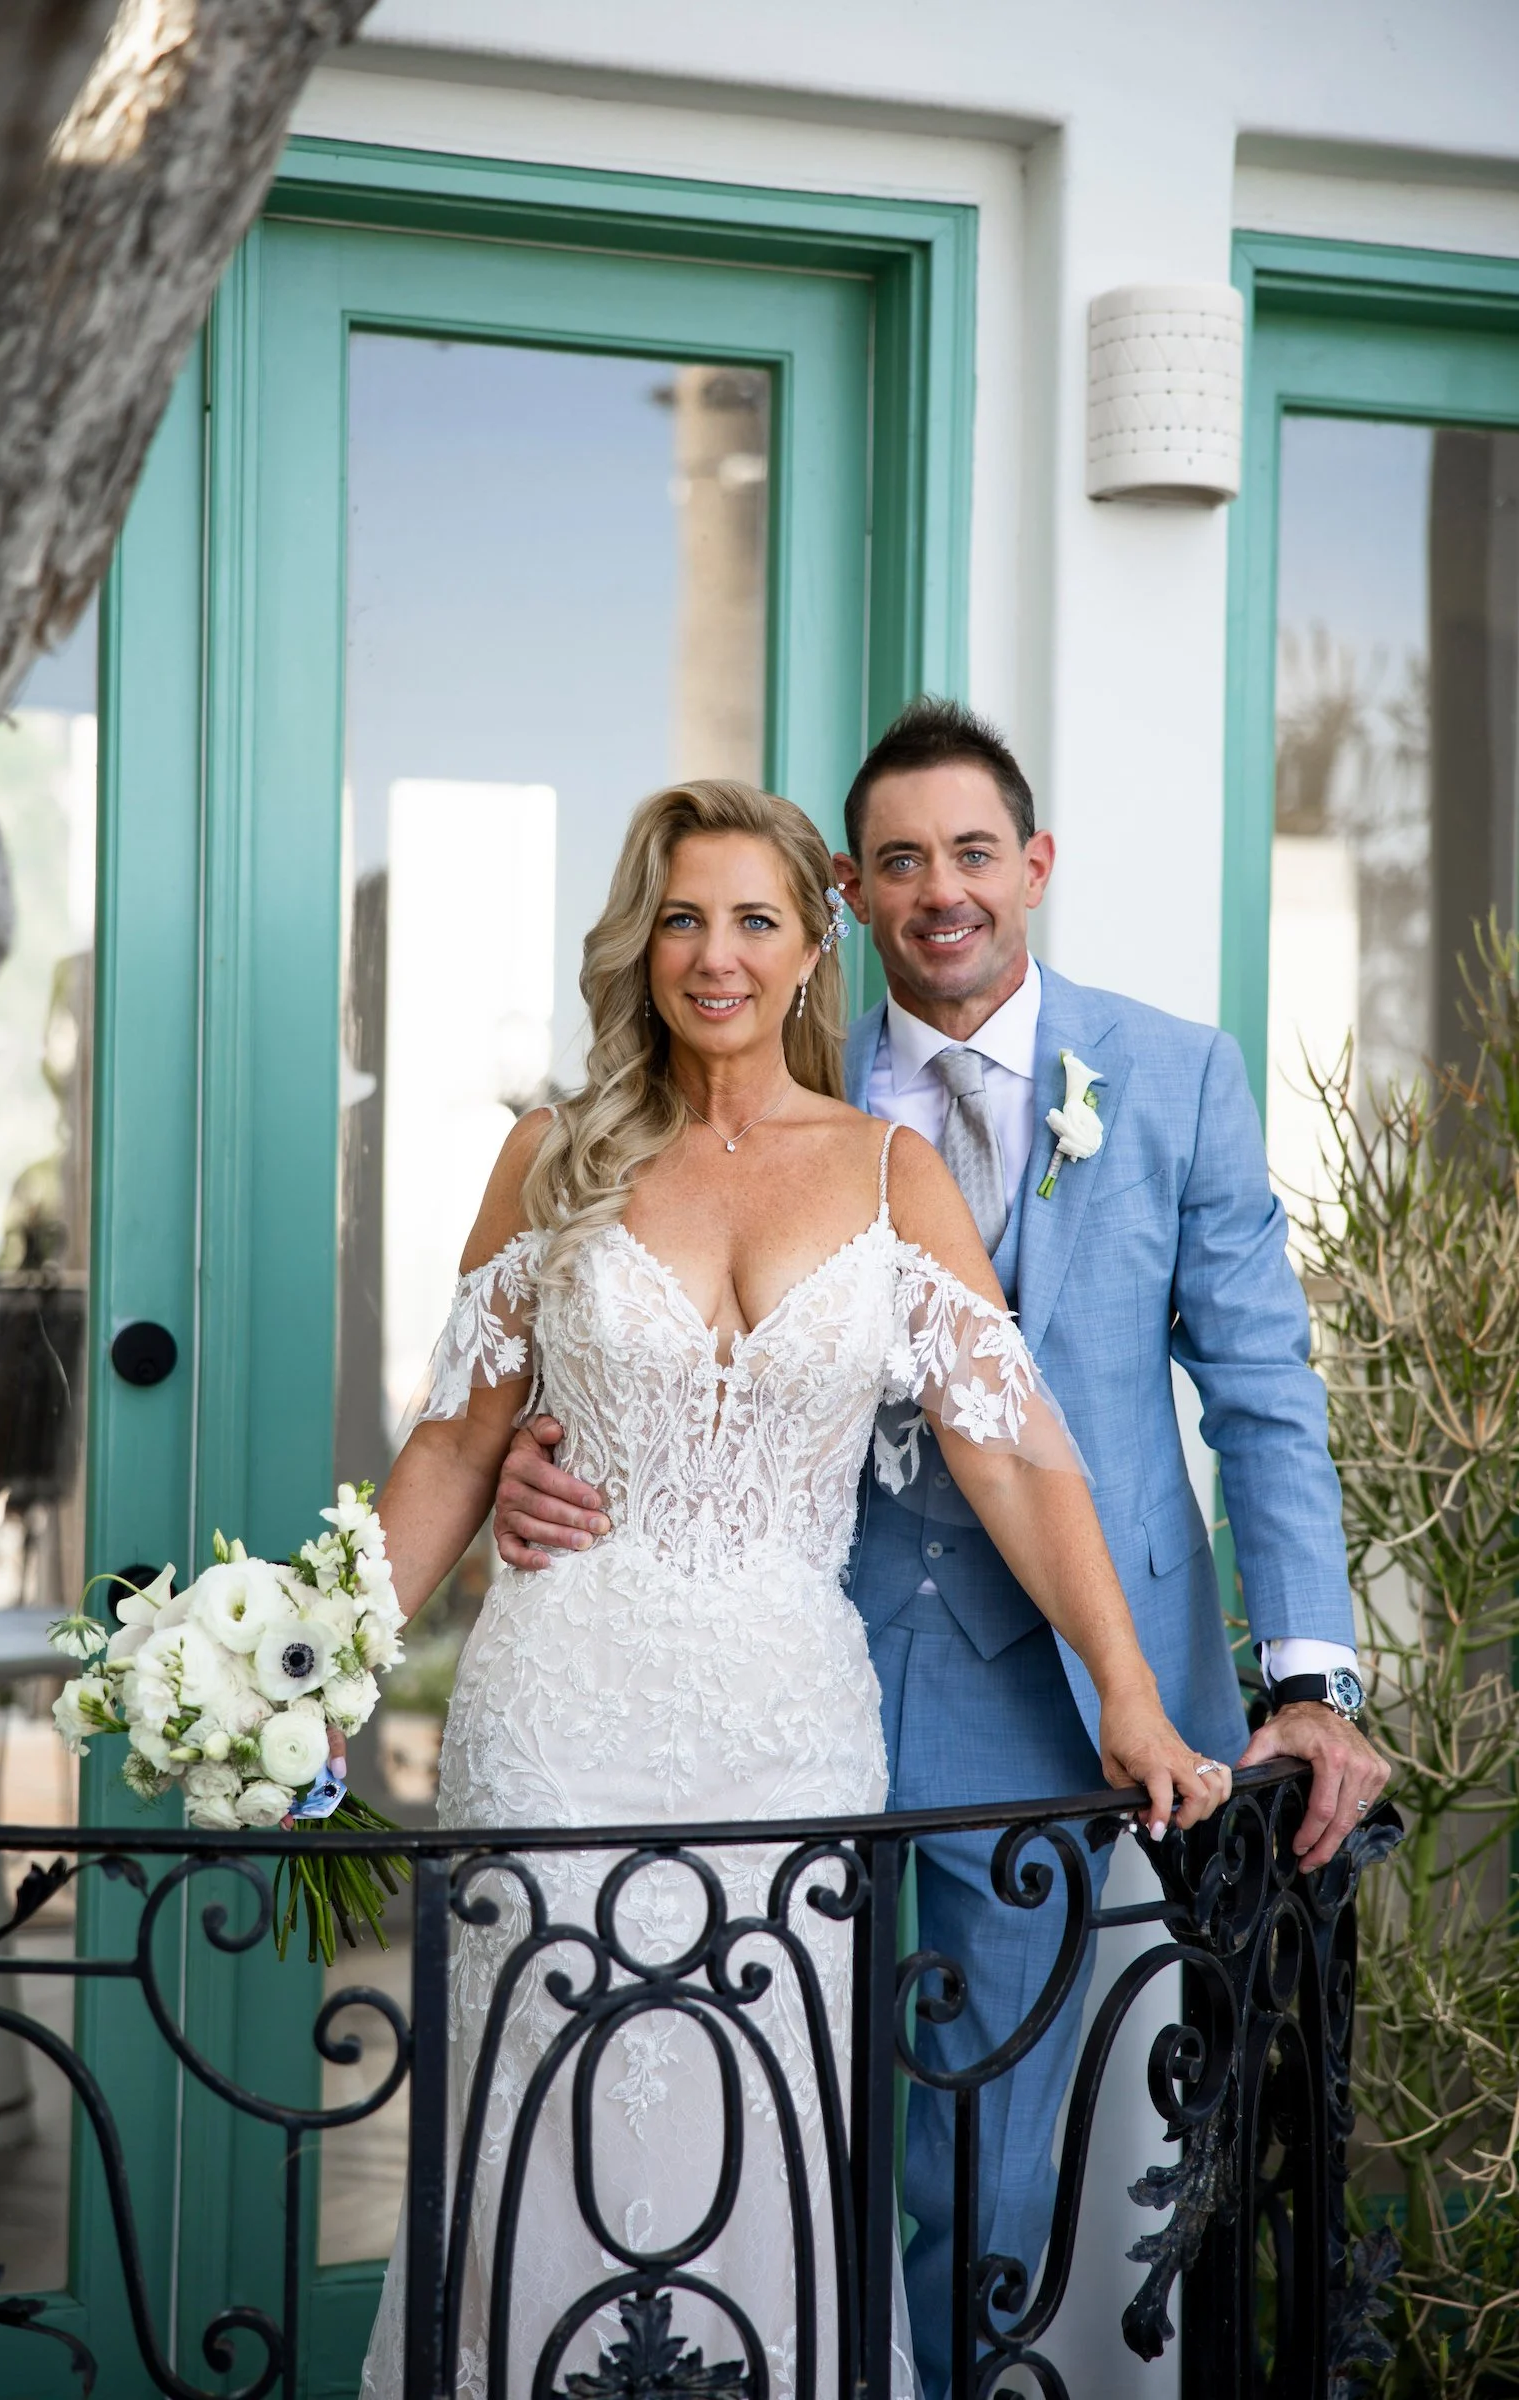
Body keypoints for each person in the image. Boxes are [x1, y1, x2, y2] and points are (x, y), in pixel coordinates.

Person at [494, 705, 1392, 2399]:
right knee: (748, 2100)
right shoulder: (772, 1068)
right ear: (848, 891)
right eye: (899, 862)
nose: (941, 891)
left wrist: (1313, 1682)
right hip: (791, 1674)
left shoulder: (1173, 1074)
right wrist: (547, 1454)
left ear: (1034, 864)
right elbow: (640, 1326)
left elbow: (1266, 1393)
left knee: (975, 2154)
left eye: (974, 852)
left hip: (1051, 1695)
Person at [355, 775, 1223, 2400]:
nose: (717, 955)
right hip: (560, 1724)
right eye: (682, 918)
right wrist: (306, 1691)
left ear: (813, 945)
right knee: (546, 2125)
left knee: (768, 2136)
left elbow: (1015, 1457)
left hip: (786, 1738)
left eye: (755, 919)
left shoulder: (893, 1174)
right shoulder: (552, 1156)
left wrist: (1128, 1693)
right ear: (640, 943)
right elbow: (456, 1447)